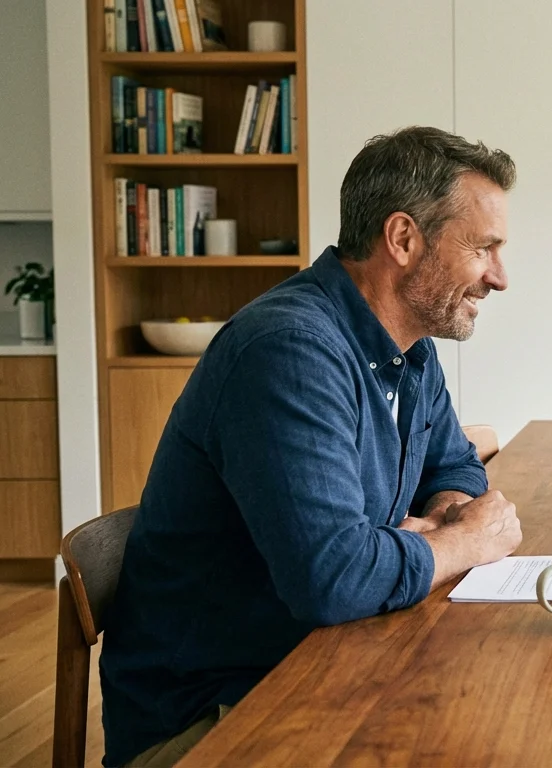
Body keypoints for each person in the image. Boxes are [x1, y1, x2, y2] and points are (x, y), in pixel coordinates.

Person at [99, 127, 525, 768]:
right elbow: (334, 577)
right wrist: (461, 542)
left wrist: (443, 514)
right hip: (216, 715)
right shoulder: (289, 350)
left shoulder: (409, 347)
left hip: (315, 659)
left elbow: (454, 463)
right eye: (484, 248)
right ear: (403, 239)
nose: (500, 277)